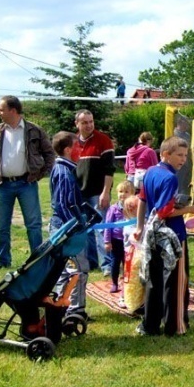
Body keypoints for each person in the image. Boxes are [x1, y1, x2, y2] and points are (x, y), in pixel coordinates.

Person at [134, 136, 194, 336]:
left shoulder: (150, 172)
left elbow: (143, 199)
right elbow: (163, 212)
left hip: (152, 235)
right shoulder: (170, 178)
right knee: (175, 281)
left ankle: (150, 325)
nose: (183, 159)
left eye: (185, 155)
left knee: (154, 279)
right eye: (179, 155)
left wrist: (140, 225)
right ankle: (175, 326)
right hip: (172, 236)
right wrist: (191, 209)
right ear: (165, 154)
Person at [0, 95, 55, 270]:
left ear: (13, 110)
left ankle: (36, 259)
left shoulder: (34, 130)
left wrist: (40, 173)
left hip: (27, 183)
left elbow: (50, 154)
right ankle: (2, 260)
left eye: (1, 109)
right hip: (2, 185)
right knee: (1, 226)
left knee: (33, 225)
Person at [49, 131, 89, 320]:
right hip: (66, 230)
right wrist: (74, 228)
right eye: (77, 146)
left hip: (63, 226)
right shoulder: (64, 172)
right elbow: (64, 204)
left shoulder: (64, 169)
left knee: (64, 269)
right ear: (67, 149)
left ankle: (59, 305)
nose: (80, 150)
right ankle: (74, 310)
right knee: (78, 269)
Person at [71, 109, 116, 276]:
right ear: (77, 124)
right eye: (84, 122)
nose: (89, 125)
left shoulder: (103, 141)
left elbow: (109, 170)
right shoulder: (73, 143)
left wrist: (106, 192)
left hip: (97, 192)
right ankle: (91, 262)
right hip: (79, 193)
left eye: (91, 121)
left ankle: (107, 265)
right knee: (84, 229)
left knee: (101, 228)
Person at [104, 180, 135, 293]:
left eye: (126, 191)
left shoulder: (134, 208)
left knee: (128, 263)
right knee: (115, 263)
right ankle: (114, 283)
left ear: (132, 193)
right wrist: (107, 241)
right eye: (120, 191)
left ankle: (127, 284)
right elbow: (108, 226)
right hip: (116, 240)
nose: (122, 194)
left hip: (130, 241)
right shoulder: (113, 209)